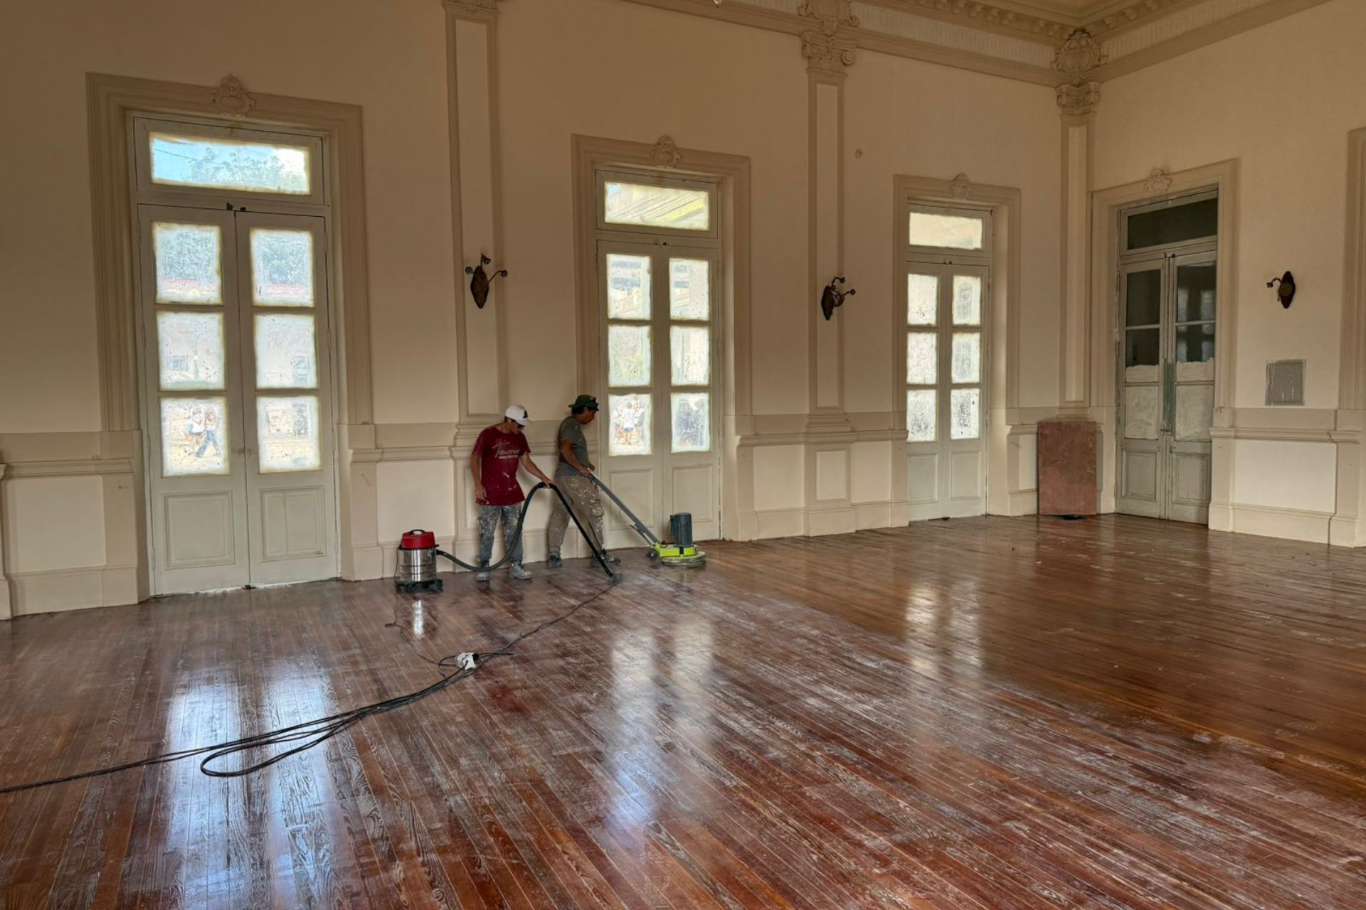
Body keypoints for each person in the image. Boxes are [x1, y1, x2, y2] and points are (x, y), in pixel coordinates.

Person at [470, 405, 556, 582]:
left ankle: (516, 566)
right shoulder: (488, 434)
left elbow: (526, 461)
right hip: (489, 493)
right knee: (487, 530)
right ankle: (484, 566)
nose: (521, 428)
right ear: (508, 420)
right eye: (519, 425)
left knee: (514, 531)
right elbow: (474, 459)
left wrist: (544, 477)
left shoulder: (520, 438)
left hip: (512, 493)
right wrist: (478, 485)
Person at [546, 395, 618, 569]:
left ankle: (554, 555)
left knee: (560, 514)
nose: (592, 418)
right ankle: (598, 554)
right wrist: (580, 468)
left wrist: (586, 464)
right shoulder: (572, 425)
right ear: (585, 409)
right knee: (595, 512)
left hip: (562, 477)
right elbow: (565, 449)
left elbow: (570, 451)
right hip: (574, 478)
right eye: (592, 413)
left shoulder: (569, 424)